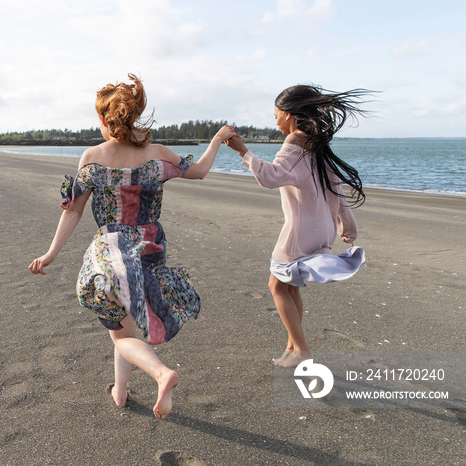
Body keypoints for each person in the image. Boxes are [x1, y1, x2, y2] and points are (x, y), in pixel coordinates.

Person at [29, 74, 235, 419]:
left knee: (120, 332)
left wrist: (50, 254)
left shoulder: (93, 157)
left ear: (103, 120)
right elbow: (198, 171)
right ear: (133, 116)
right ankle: (121, 392)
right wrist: (216, 139)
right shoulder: (157, 156)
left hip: (112, 248)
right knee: (123, 326)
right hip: (150, 245)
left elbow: (74, 211)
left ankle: (160, 373)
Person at [225, 84, 373, 368]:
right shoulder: (316, 143)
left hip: (300, 231)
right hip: (323, 230)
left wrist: (242, 151)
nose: (276, 121)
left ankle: (302, 351)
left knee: (276, 286)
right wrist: (348, 223)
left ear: (290, 115)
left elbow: (271, 176)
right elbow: (336, 187)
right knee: (291, 288)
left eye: (276, 115)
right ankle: (292, 348)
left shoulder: (293, 142)